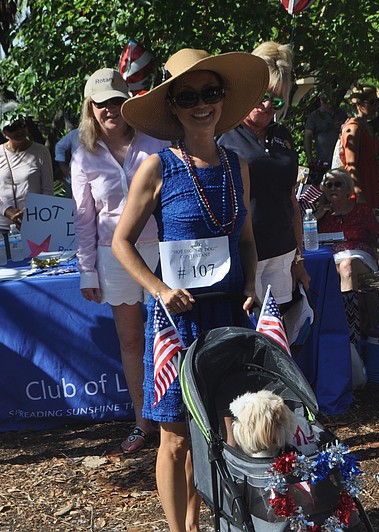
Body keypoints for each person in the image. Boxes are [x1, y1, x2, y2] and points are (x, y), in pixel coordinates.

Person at [115, 48, 265, 532]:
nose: (201, 104)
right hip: (177, 321)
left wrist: (251, 281)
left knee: (223, 431)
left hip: (228, 316)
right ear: (173, 107)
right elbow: (121, 242)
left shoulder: (237, 165)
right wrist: (159, 289)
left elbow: (246, 240)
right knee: (176, 436)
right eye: (188, 97)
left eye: (210, 93)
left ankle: (205, 521)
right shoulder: (157, 167)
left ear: (222, 99)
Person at [71, 68, 167, 454]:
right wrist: (87, 271)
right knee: (130, 340)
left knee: (169, 335)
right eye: (101, 104)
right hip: (114, 256)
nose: (110, 109)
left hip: (160, 250)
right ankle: (143, 422)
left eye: (116, 101)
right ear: (90, 109)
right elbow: (83, 218)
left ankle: (176, 418)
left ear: (127, 103)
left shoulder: (155, 142)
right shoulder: (84, 155)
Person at [217, 41, 310, 315]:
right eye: (262, 96)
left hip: (282, 253)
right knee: (248, 330)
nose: (268, 106)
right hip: (242, 256)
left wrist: (298, 258)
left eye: (277, 100)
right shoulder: (222, 134)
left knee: (280, 331)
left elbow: (291, 199)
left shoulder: (283, 137)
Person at [313, 168, 379, 344]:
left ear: (347, 188)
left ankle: (350, 331)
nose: (333, 188)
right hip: (330, 259)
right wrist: (316, 217)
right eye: (328, 185)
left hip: (358, 257)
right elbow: (305, 241)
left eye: (337, 184)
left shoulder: (361, 210)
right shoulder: (320, 215)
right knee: (335, 268)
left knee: (346, 266)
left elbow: (378, 235)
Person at [0, 102, 54, 261]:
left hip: (34, 225)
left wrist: (29, 212)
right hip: (1, 227)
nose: (19, 131)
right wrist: (9, 212)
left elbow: (48, 190)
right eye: (12, 127)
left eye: (21, 125)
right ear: (3, 131)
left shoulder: (41, 151)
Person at [337, 86, 379, 210]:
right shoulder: (353, 128)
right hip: (361, 187)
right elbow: (351, 166)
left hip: (371, 181)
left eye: (377, 101)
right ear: (359, 104)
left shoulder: (366, 126)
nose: (376, 106)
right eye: (372, 102)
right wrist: (358, 194)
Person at [304, 91, 347, 185]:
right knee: (323, 186)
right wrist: (309, 157)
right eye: (324, 100)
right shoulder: (314, 116)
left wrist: (341, 127)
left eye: (329, 100)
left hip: (339, 159)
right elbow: (308, 136)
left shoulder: (341, 114)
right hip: (322, 160)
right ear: (320, 100)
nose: (327, 103)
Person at [55, 124, 80, 199]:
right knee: (70, 205)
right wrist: (63, 165)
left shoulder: (105, 135)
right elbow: (59, 146)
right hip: (74, 181)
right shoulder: (76, 133)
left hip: (98, 182)